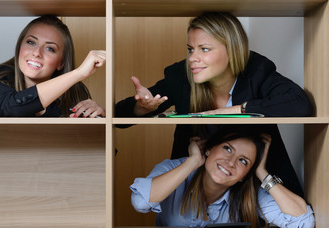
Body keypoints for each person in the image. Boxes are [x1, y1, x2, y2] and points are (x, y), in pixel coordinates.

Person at [115, 12, 312, 197]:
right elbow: (118, 118)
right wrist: (142, 108)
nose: (192, 58)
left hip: (251, 189)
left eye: (205, 49)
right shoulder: (182, 77)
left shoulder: (256, 71)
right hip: (195, 190)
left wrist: (236, 110)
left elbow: (300, 104)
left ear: (232, 50)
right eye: (190, 49)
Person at [130, 125, 315, 228]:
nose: (231, 162)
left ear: (245, 175)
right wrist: (193, 161)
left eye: (243, 161)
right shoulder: (172, 168)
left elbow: (304, 222)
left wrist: (261, 173)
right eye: (227, 148)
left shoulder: (250, 193)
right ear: (208, 148)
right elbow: (140, 202)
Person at [0, 15, 106, 118]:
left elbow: (97, 148)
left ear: (61, 62)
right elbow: (10, 109)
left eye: (50, 48)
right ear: (20, 46)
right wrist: (79, 73)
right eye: (31, 42)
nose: (37, 53)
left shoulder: (73, 91)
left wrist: (98, 118)